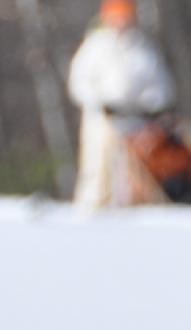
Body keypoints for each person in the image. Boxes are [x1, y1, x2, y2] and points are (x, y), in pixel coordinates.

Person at [67, 0, 176, 209]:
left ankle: (130, 213)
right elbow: (79, 82)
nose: (121, 21)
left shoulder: (142, 47)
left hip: (135, 122)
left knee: (132, 174)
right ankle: (91, 209)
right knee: (97, 168)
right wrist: (100, 103)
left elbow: (160, 85)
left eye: (125, 15)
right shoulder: (95, 46)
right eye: (116, 15)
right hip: (101, 119)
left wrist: (150, 105)